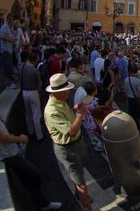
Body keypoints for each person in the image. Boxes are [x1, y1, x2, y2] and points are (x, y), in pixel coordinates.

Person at [0, 82, 62, 210]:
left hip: (9, 150)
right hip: (7, 153)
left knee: (28, 178)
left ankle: (42, 203)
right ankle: (41, 203)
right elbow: (0, 137)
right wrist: (20, 138)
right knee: (34, 175)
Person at [44, 73, 92, 211]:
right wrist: (81, 114)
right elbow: (70, 131)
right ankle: (87, 206)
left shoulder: (60, 102)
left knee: (79, 174)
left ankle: (81, 195)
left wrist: (75, 109)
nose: (68, 92)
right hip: (68, 148)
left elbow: (67, 117)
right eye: (65, 91)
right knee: (81, 183)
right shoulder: (52, 110)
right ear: (56, 92)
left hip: (76, 143)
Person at [21, 52, 44, 141]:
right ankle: (39, 136)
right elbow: (40, 83)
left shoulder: (22, 67)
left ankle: (30, 132)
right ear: (36, 59)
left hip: (24, 91)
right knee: (36, 115)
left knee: (28, 113)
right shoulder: (35, 70)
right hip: (33, 92)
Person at [124, 64, 140, 139]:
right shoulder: (138, 81)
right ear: (136, 71)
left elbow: (125, 92)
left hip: (130, 100)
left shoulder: (126, 79)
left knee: (134, 117)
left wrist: (127, 101)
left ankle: (136, 131)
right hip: (137, 101)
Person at [0, 14, 16, 89]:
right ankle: (8, 83)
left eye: (12, 19)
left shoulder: (10, 27)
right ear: (7, 19)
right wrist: (10, 40)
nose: (11, 21)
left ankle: (9, 82)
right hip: (5, 50)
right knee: (7, 67)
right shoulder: (4, 27)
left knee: (9, 67)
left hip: (9, 49)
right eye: (10, 19)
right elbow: (2, 37)